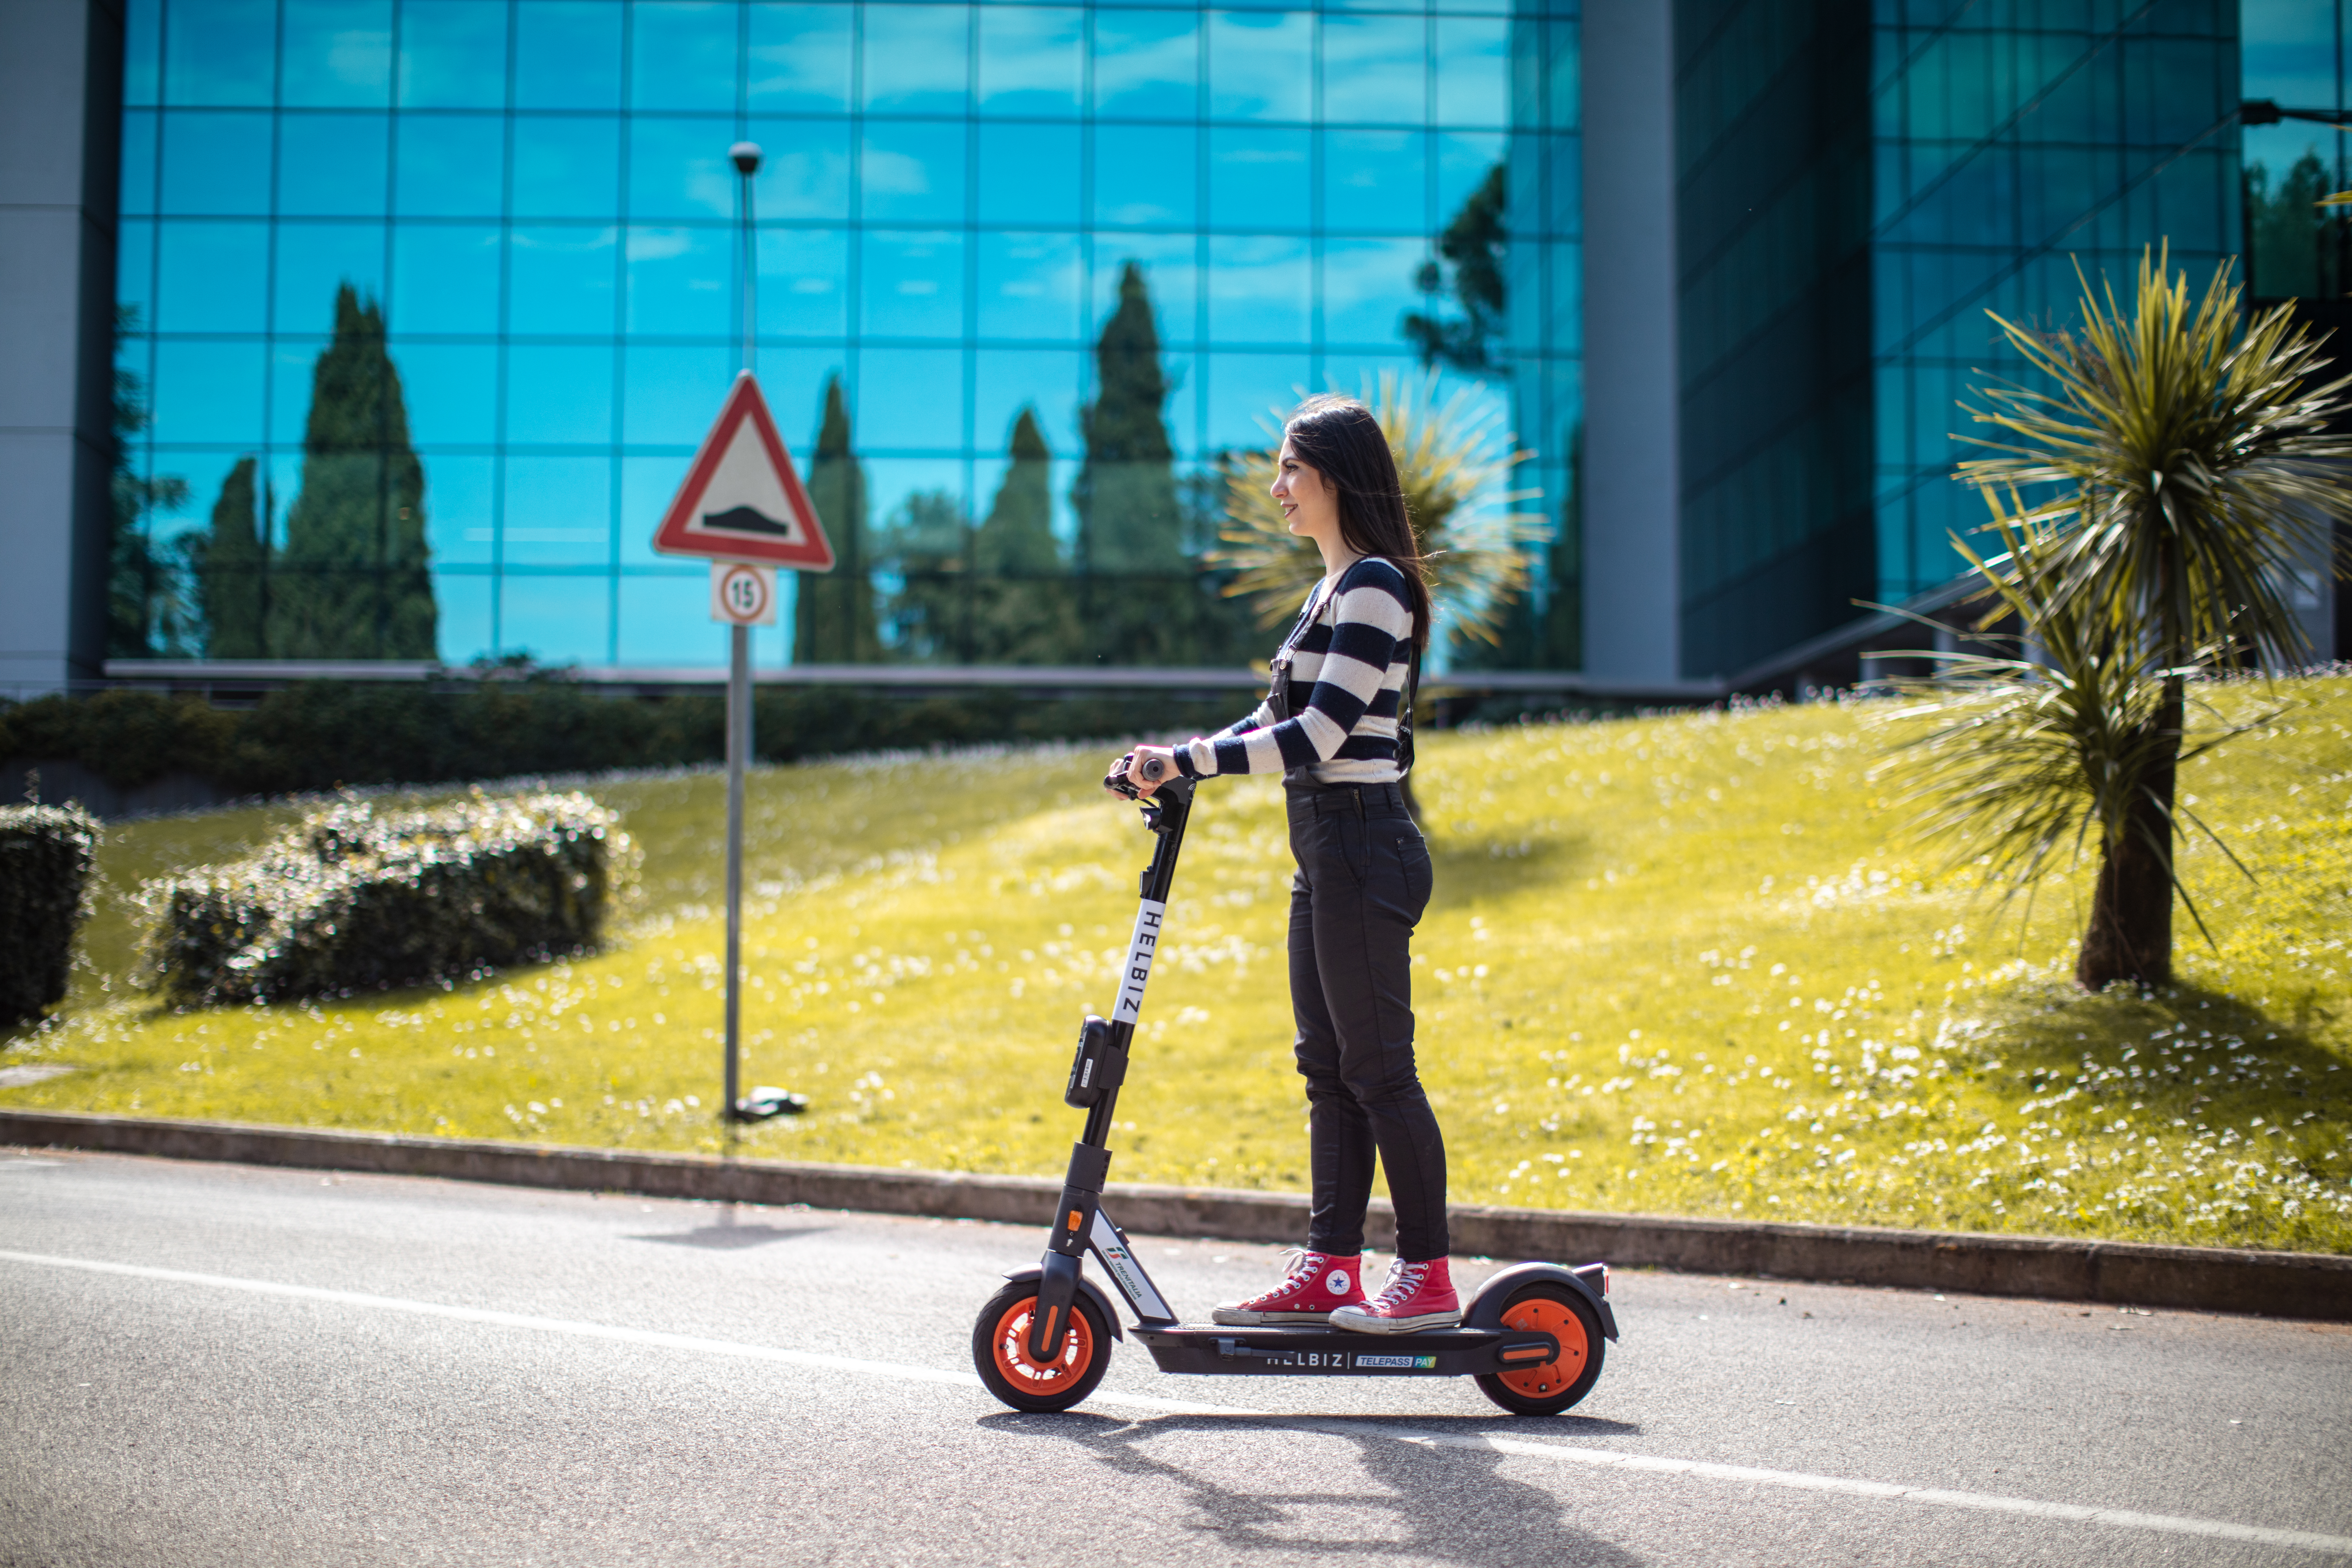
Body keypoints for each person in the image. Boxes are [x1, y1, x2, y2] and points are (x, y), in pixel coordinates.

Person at [1112, 394, 1454, 1334]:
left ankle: (1426, 1278)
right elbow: (1271, 723)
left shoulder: (1376, 584)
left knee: (1381, 1069)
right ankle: (1332, 1268)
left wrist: (1190, 763)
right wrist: (1172, 757)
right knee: (1328, 1069)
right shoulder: (1330, 592)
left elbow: (1321, 733)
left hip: (1363, 839)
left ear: (1336, 477)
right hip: (1326, 846)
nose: (1278, 490)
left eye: (1291, 472)